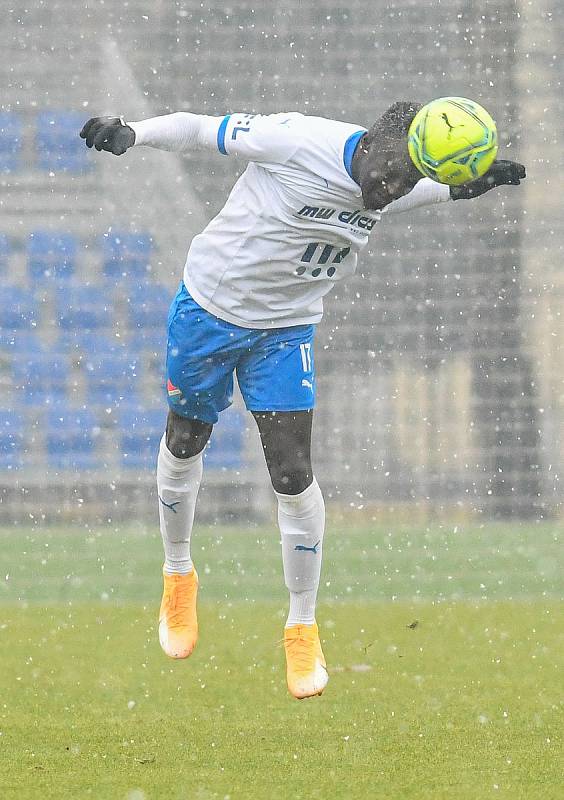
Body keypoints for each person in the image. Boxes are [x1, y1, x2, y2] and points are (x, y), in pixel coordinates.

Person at [80, 103, 525, 700]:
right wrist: (133, 133)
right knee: (186, 440)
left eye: (405, 185)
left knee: (293, 474)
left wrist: (472, 186)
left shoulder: (403, 181)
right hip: (209, 311)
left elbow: (435, 191)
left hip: (286, 331)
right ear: (371, 147)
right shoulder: (294, 140)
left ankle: (301, 628)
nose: (388, 195)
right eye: (388, 179)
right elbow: (199, 129)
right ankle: (179, 574)